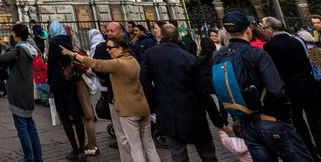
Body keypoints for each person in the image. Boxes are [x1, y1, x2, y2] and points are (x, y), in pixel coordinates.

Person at [214, 10, 313, 161]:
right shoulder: (256, 53)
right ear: (247, 29)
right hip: (271, 119)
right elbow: (276, 88)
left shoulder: (219, 55)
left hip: (245, 123)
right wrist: (286, 112)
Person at [65, 36, 159, 161]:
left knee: (135, 146)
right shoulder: (133, 60)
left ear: (120, 48)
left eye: (110, 47)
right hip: (143, 107)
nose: (108, 50)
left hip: (128, 110)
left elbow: (95, 63)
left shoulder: (118, 63)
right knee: (148, 144)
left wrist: (73, 54)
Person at [140, 23, 222, 162]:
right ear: (178, 37)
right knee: (207, 153)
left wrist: (154, 106)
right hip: (194, 111)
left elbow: (145, 82)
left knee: (178, 154)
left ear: (161, 36)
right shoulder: (189, 57)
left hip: (167, 111)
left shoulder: (150, 54)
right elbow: (202, 91)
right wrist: (217, 120)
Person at [261, 16, 321, 159]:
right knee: (316, 120)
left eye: (263, 28)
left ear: (270, 29)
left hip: (289, 89)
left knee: (298, 122)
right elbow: (307, 61)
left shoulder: (269, 46)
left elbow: (273, 70)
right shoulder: (297, 40)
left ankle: (310, 152)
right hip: (307, 85)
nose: (263, 31)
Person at [47, 19, 99, 159]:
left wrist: (49, 82)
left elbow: (51, 64)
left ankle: (75, 150)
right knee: (76, 116)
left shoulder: (53, 43)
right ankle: (82, 149)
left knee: (64, 117)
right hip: (72, 80)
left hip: (59, 82)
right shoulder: (67, 39)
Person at [0, 23, 44, 162]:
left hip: (17, 95)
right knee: (31, 127)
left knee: (22, 129)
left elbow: (0, 59)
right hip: (27, 93)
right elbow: (15, 53)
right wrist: (2, 44)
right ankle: (38, 157)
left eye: (13, 33)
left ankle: (28, 158)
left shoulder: (19, 50)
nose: (12, 35)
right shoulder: (28, 49)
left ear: (17, 35)